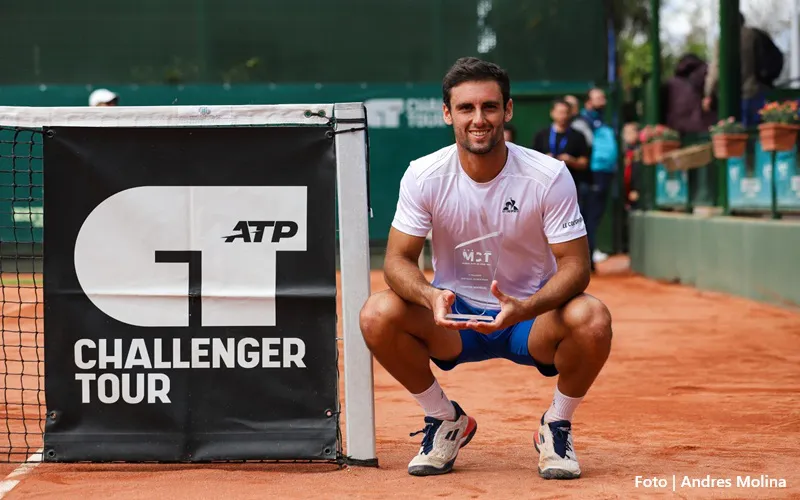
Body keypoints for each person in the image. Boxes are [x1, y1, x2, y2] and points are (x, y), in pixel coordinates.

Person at [359, 57, 613, 480]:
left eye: (490, 107)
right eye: (466, 108)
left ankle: (556, 424)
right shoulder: (422, 176)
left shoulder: (548, 176)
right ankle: (444, 419)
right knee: (376, 314)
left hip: (530, 321)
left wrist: (526, 307)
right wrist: (429, 296)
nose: (479, 119)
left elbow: (576, 266)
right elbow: (397, 261)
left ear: (507, 110)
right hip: (453, 317)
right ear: (447, 114)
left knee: (593, 318)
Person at [571, 88, 618, 270]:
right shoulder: (583, 122)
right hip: (593, 173)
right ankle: (586, 259)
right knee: (588, 216)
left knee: (595, 215)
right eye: (598, 98)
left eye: (603, 97)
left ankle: (590, 255)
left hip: (606, 172)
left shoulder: (605, 119)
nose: (602, 101)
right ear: (588, 102)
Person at [532, 99, 591, 202]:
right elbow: (532, 161)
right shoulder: (542, 135)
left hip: (571, 185)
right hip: (546, 186)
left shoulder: (578, 136)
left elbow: (584, 163)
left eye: (566, 113)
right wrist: (545, 160)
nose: (563, 116)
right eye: (560, 112)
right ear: (552, 113)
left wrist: (571, 161)